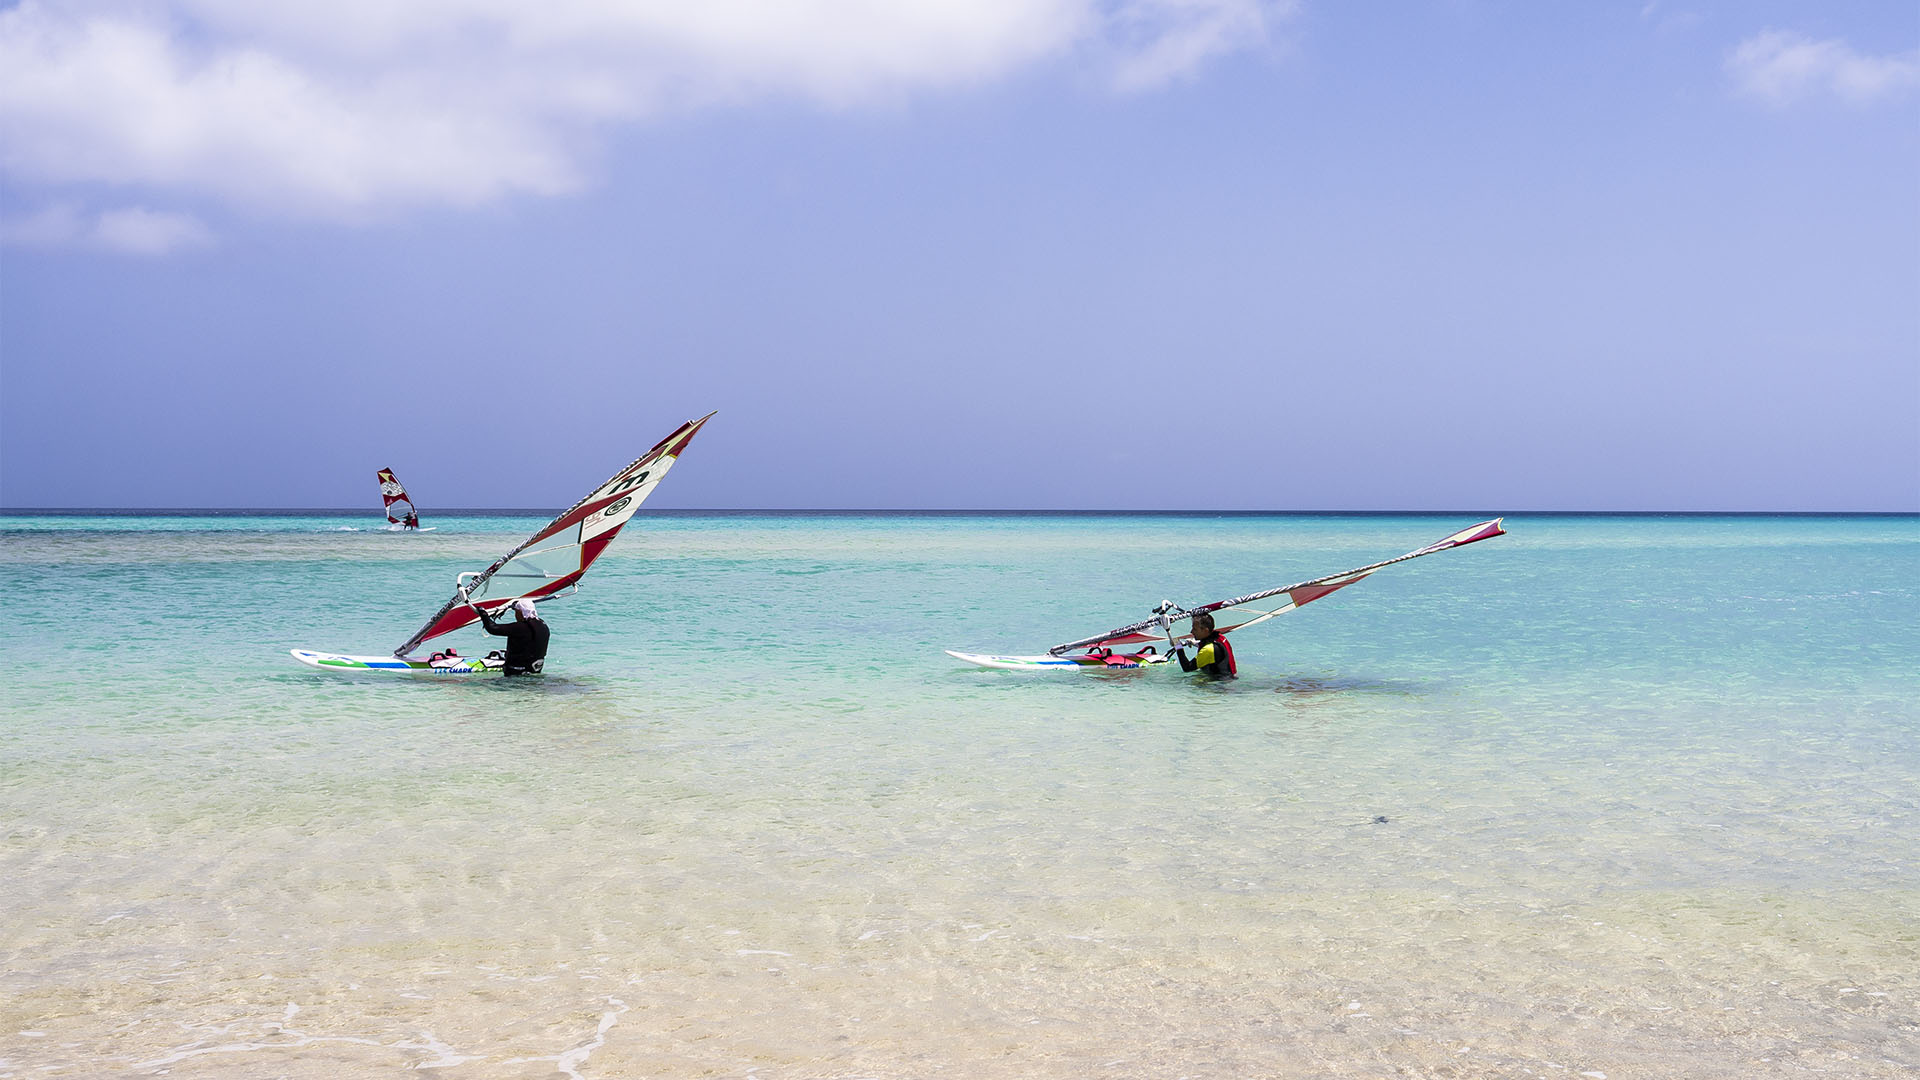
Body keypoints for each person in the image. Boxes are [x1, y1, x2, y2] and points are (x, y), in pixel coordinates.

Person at [472, 595, 550, 676]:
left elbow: (493, 628)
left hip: (515, 674)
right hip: (534, 671)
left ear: (521, 612)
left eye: (516, 612)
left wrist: (483, 613)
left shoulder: (521, 627)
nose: (515, 615)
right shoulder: (543, 626)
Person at [1175, 610, 1236, 678]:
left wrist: (1177, 645)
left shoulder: (1208, 650)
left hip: (1218, 686)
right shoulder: (1219, 637)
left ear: (1205, 630)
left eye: (1195, 629)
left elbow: (1187, 668)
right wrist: (1193, 642)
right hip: (1228, 679)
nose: (1191, 631)